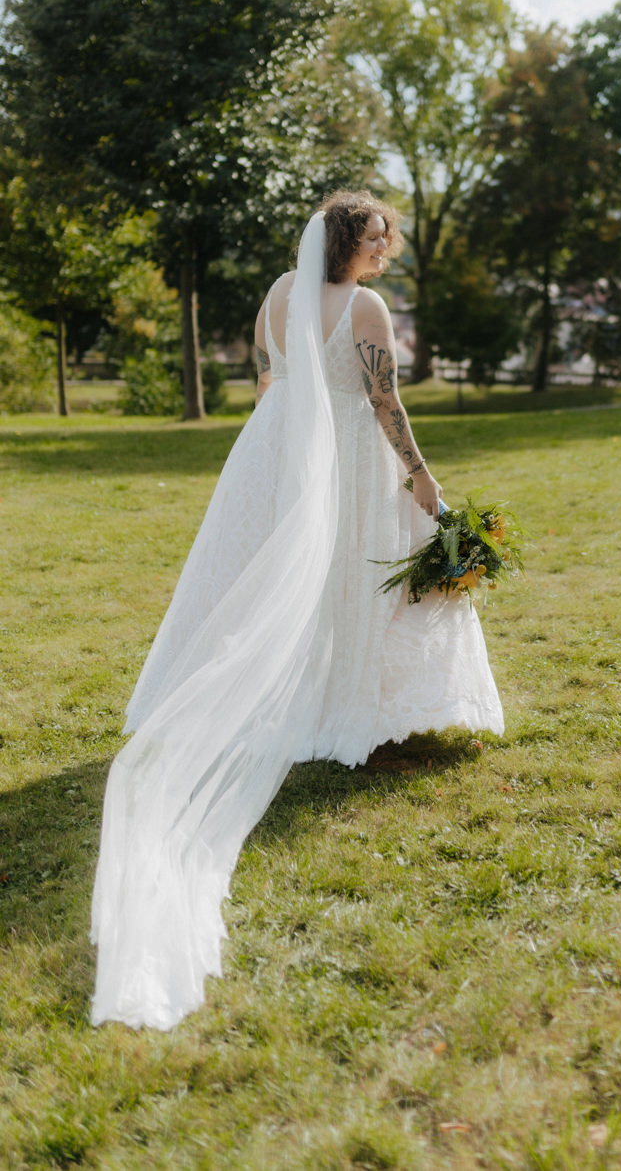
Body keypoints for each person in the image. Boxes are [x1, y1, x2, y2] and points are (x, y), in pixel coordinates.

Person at [90, 191, 504, 1030]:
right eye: (384, 239)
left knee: (258, 581)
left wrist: (285, 429)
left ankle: (285, 688)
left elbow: (266, 369)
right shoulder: (365, 305)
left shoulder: (279, 291)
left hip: (274, 448)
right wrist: (420, 475)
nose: (390, 253)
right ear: (358, 241)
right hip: (346, 453)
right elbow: (386, 403)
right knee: (357, 576)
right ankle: (350, 702)